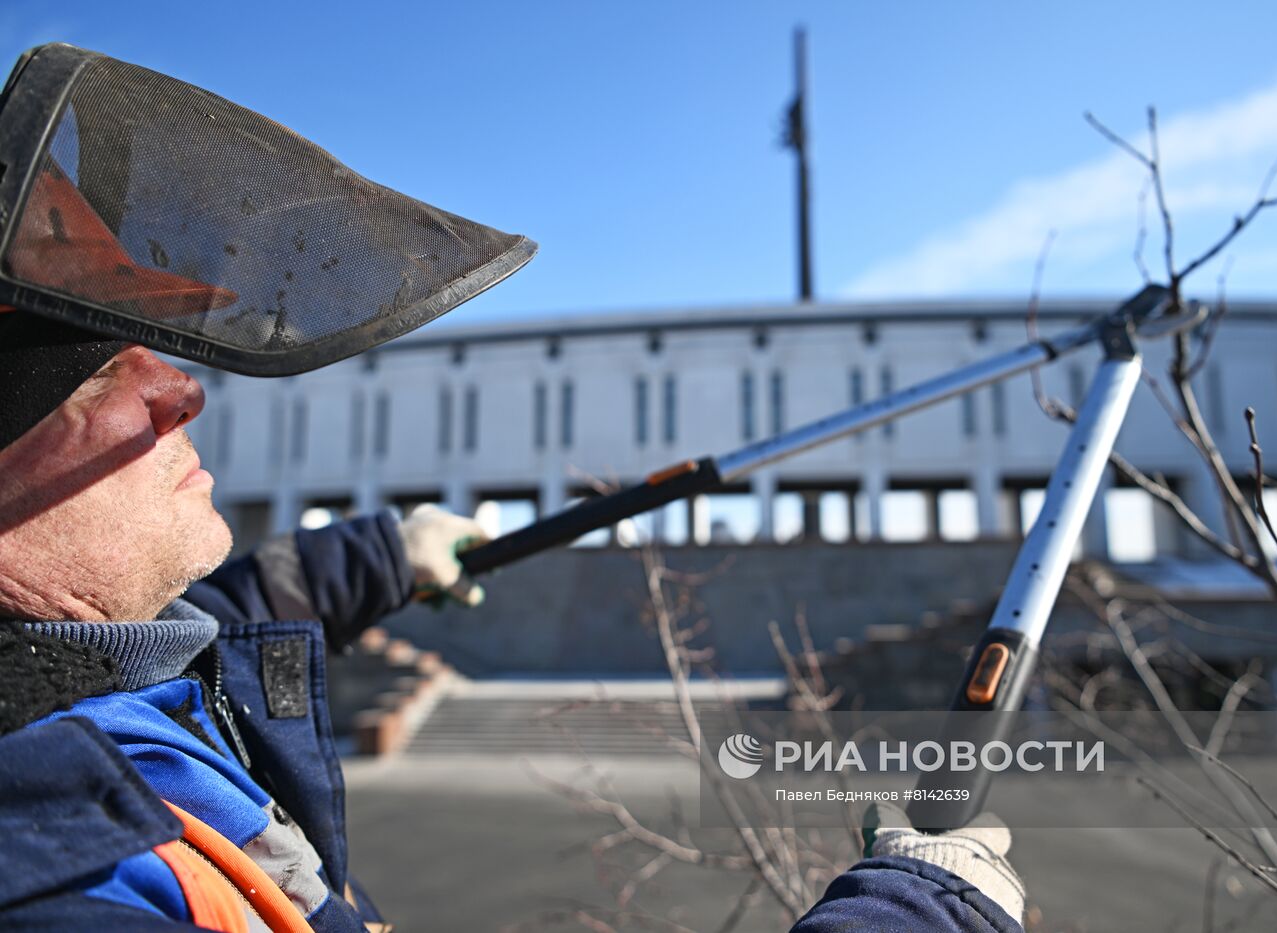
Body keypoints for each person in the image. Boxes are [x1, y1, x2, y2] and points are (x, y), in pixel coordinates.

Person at [0, 43, 1024, 932]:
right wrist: (918, 910)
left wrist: (384, 557)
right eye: (97, 378)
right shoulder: (51, 884)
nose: (183, 390)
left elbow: (226, 613)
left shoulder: (100, 666)